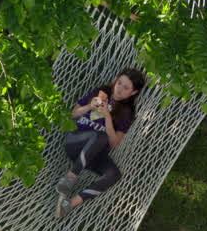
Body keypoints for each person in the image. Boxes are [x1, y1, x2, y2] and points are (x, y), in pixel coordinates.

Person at [56, 68, 146, 218]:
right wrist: (89, 107)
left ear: (133, 93)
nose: (119, 89)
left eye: (126, 88)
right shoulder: (101, 92)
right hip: (75, 141)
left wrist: (107, 118)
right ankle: (70, 178)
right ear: (115, 80)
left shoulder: (127, 112)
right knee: (100, 136)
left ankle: (70, 204)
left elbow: (114, 143)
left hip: (94, 153)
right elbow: (72, 114)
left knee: (114, 174)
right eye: (119, 83)